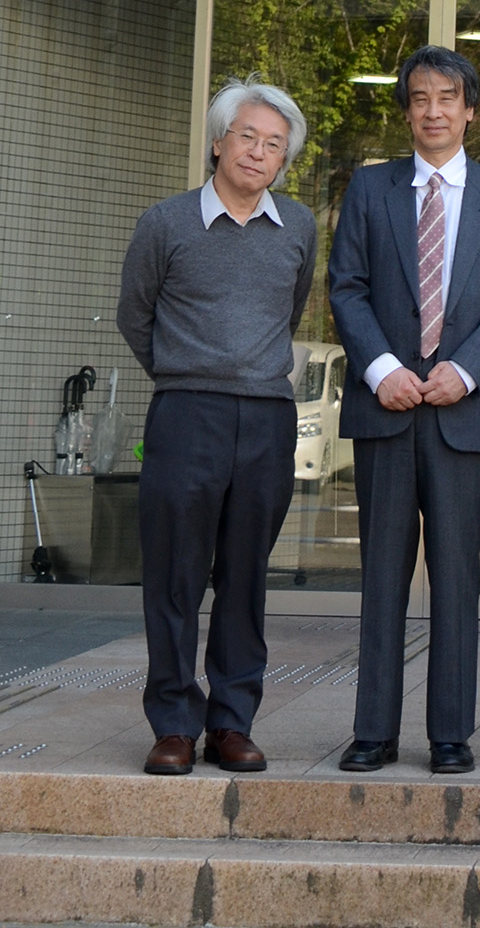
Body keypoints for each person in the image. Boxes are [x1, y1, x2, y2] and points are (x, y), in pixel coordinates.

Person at [328, 45, 480, 775]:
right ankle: (373, 732)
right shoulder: (369, 187)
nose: (433, 111)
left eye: (447, 97)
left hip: (461, 412)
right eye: (419, 98)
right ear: (407, 111)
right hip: (383, 407)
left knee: (457, 578)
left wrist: (467, 372)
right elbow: (346, 286)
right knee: (381, 576)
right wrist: (381, 367)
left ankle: (450, 733)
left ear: (470, 109)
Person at [117, 80, 316, 776]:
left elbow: (287, 314)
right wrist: (184, 374)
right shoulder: (164, 224)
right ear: (217, 142)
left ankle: (231, 723)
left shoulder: (298, 226)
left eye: (274, 145)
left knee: (244, 578)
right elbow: (134, 318)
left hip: (266, 416)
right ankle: (173, 722)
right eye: (248, 137)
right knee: (173, 575)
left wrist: (246, 374)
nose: (259, 153)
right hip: (185, 413)